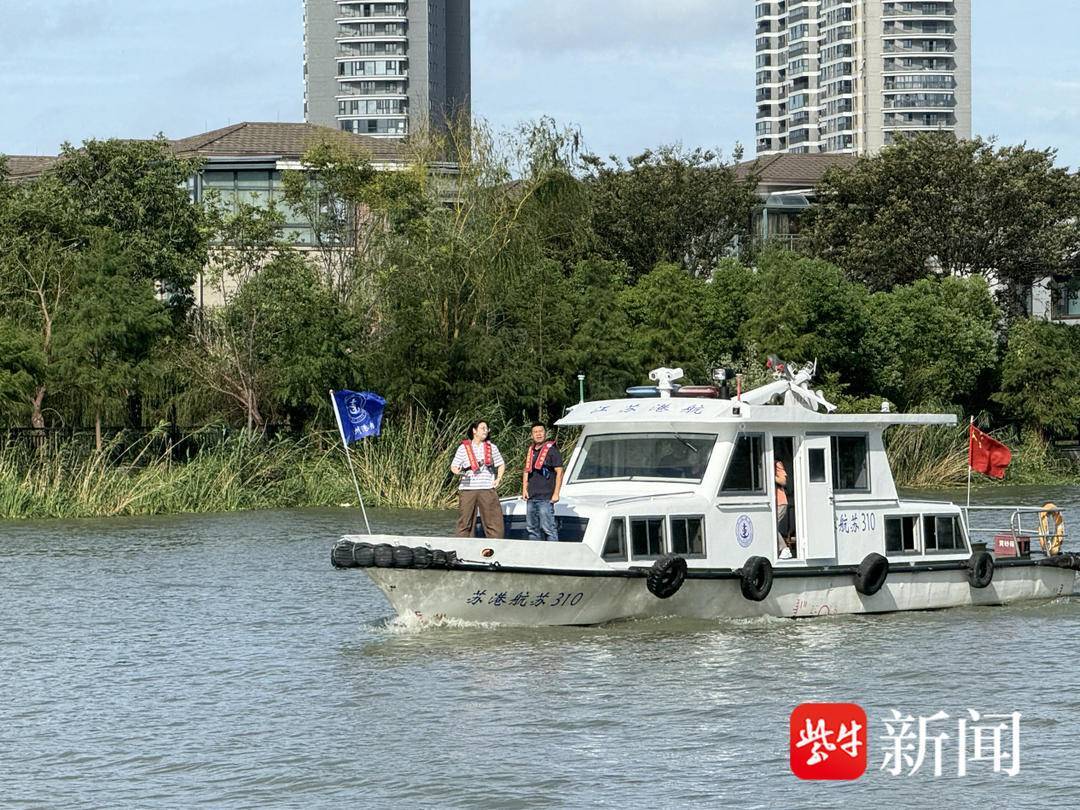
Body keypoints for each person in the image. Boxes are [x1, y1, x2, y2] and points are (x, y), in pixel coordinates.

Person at [450, 421, 505, 538]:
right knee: (465, 521)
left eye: (487, 428)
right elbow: (454, 466)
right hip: (467, 487)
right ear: (474, 431)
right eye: (482, 428)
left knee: (494, 521)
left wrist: (498, 479)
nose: (485, 430)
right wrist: (458, 471)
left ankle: (495, 548)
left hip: (487, 487)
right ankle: (463, 549)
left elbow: (501, 464)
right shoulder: (463, 448)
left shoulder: (492, 447)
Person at [521, 422, 564, 541]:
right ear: (531, 435)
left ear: (545, 433)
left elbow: (559, 471)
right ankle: (535, 556)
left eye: (541, 431)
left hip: (546, 497)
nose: (538, 434)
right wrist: (524, 488)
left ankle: (552, 556)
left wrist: (556, 493)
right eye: (535, 432)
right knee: (532, 529)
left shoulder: (552, 450)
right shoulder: (530, 450)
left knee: (549, 529)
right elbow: (526, 470)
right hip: (531, 496)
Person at [776, 459, 793, 559]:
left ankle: (784, 549)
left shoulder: (776, 463)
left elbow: (783, 481)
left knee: (772, 527)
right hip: (774, 502)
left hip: (780, 502)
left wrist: (771, 476)